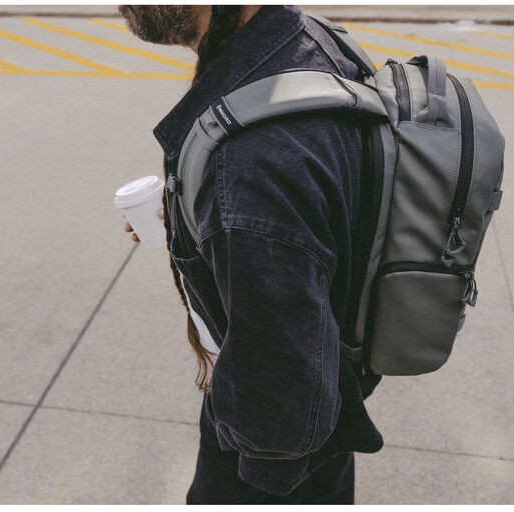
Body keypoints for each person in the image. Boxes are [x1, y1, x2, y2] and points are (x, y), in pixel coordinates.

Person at [119, 5, 383, 504]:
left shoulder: (250, 164)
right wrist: (197, 214)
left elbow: (282, 414)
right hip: (332, 379)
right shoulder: (304, 39)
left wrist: (232, 209)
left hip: (271, 461)